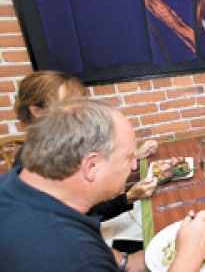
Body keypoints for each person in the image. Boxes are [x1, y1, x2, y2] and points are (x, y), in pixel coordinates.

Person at [0, 98, 205, 272]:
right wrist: (188, 258)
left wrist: (128, 262)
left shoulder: (15, 181)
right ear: (92, 166)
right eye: (128, 157)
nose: (134, 166)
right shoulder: (70, 256)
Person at [10, 71, 158, 264]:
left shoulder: (25, 172)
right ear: (36, 111)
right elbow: (80, 227)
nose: (84, 115)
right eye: (71, 107)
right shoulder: (71, 248)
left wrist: (124, 262)